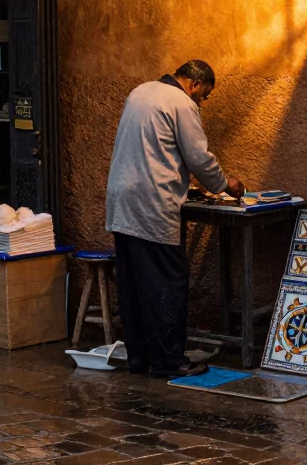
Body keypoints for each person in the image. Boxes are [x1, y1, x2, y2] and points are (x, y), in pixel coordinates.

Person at [104, 60, 245, 378]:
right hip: (151, 205)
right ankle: (169, 361)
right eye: (204, 96)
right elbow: (197, 156)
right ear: (194, 84)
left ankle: (139, 358)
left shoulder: (140, 91)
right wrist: (225, 184)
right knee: (167, 282)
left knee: (134, 285)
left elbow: (155, 150)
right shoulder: (181, 102)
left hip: (121, 202)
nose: (202, 102)